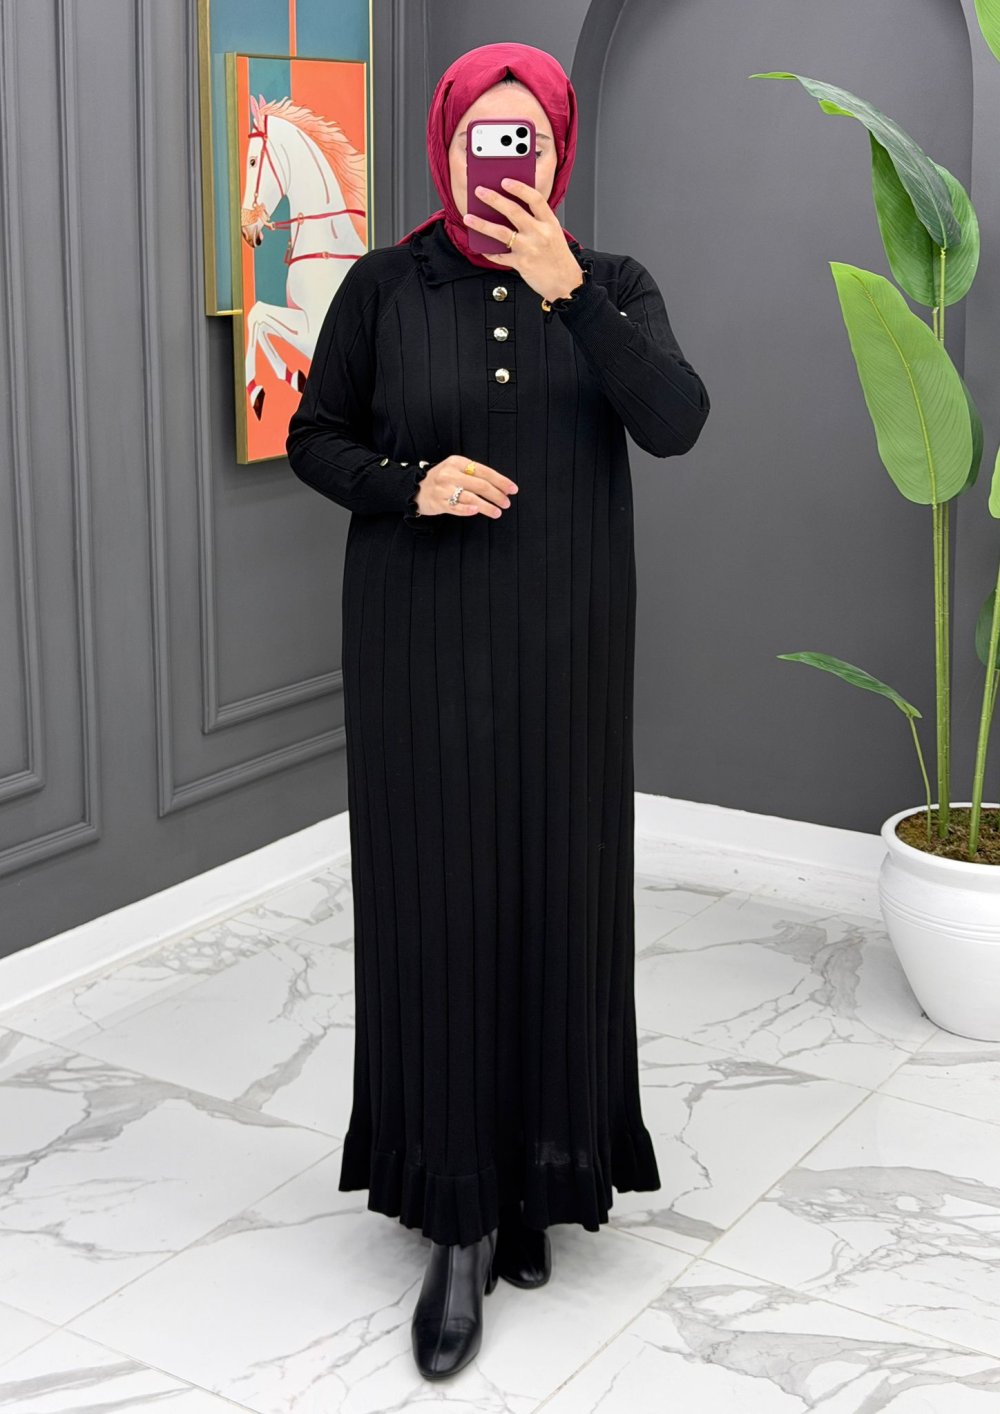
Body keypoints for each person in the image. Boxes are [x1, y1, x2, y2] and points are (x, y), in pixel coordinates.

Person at [285, 40, 711, 1382]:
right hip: (418, 653)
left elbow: (676, 420)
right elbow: (315, 437)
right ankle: (459, 1217)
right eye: (486, 135)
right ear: (448, 141)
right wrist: (410, 484)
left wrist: (568, 288)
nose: (505, 158)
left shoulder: (614, 283)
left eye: (529, 137)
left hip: (568, 655)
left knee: (555, 900)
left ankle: (541, 1177)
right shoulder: (382, 286)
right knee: (443, 910)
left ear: (559, 151)